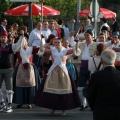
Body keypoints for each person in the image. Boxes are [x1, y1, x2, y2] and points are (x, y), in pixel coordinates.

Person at [35, 38, 81, 116]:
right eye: (55, 42)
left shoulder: (65, 50)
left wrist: (77, 43)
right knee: (52, 91)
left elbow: (75, 51)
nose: (57, 43)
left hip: (63, 73)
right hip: (53, 72)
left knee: (64, 91)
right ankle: (52, 109)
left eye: (58, 42)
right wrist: (42, 41)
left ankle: (64, 110)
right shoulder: (52, 50)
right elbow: (42, 49)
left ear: (61, 43)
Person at [87, 49, 120, 120]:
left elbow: (90, 96)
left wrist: (95, 108)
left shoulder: (96, 76)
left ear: (101, 60)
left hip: (101, 112)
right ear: (115, 60)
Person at [12, 31, 41, 109]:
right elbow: (13, 55)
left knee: (30, 84)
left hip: (30, 67)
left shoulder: (31, 49)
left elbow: (41, 49)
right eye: (22, 41)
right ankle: (19, 102)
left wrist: (42, 40)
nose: (24, 42)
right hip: (20, 68)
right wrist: (20, 37)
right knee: (19, 85)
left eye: (25, 41)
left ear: (28, 42)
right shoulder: (18, 50)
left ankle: (29, 102)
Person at [0, 30, 26, 112]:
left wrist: (22, 37)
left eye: (4, 37)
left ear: (7, 38)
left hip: (9, 69)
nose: (3, 38)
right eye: (1, 37)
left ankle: (9, 105)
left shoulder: (11, 46)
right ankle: (1, 104)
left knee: (9, 89)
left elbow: (19, 46)